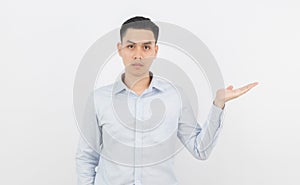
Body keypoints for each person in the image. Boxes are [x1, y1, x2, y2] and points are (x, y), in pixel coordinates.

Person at [76, 16, 258, 185]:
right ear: (120, 49)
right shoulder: (99, 100)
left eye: (146, 47)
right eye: (131, 46)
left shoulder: (174, 97)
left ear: (155, 50)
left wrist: (218, 104)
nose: (138, 55)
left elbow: (200, 149)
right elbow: (86, 157)